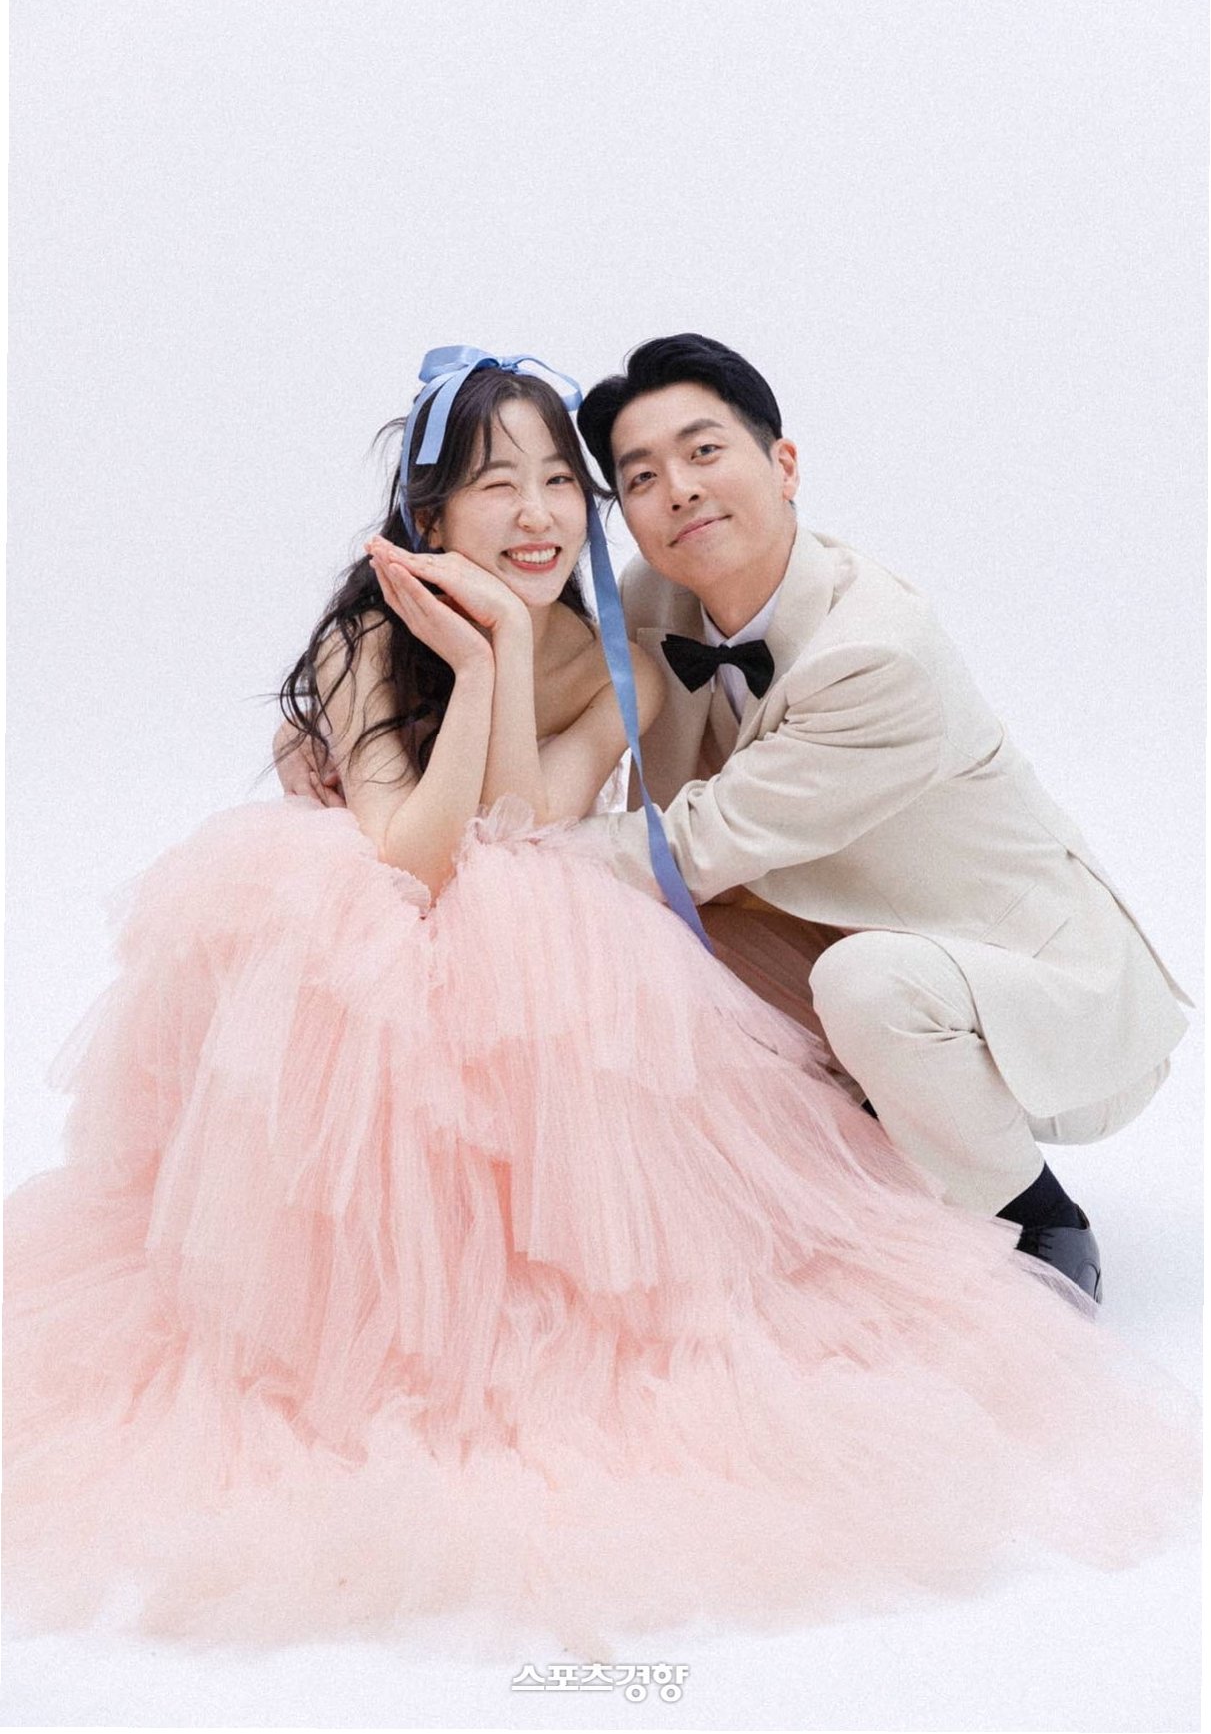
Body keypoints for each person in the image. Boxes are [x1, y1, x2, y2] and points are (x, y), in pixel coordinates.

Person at [4, 351, 1196, 1655]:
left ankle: (1021, 1204)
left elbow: (539, 833)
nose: (546, 511)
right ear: (429, 515)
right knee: (382, 966)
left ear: (779, 461)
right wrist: (463, 693)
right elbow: (417, 857)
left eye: (562, 480)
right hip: (478, 914)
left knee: (591, 953)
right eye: (517, 481)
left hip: (995, 960)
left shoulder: (822, 650)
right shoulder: (498, 618)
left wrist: (502, 663)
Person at [571, 334, 1193, 1303]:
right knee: (642, 946)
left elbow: (689, 846)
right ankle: (858, 1160)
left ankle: (1035, 1213)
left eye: (703, 451)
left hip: (1045, 998)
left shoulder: (876, 653)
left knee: (861, 984)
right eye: (640, 477)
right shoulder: (652, 601)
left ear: (783, 465)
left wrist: (506, 856)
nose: (678, 490)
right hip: (849, 938)